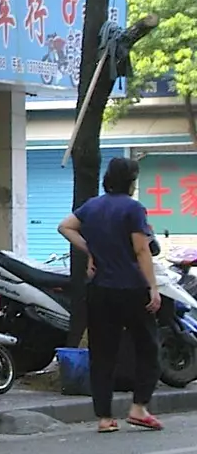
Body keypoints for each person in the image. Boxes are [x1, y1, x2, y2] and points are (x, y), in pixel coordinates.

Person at [58, 157, 162, 433]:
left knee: (103, 353)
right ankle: (139, 407)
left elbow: (64, 226)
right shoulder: (133, 208)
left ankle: (104, 417)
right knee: (148, 348)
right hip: (131, 289)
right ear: (131, 181)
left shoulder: (92, 206)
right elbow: (142, 250)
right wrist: (153, 286)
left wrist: (90, 249)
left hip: (100, 289)